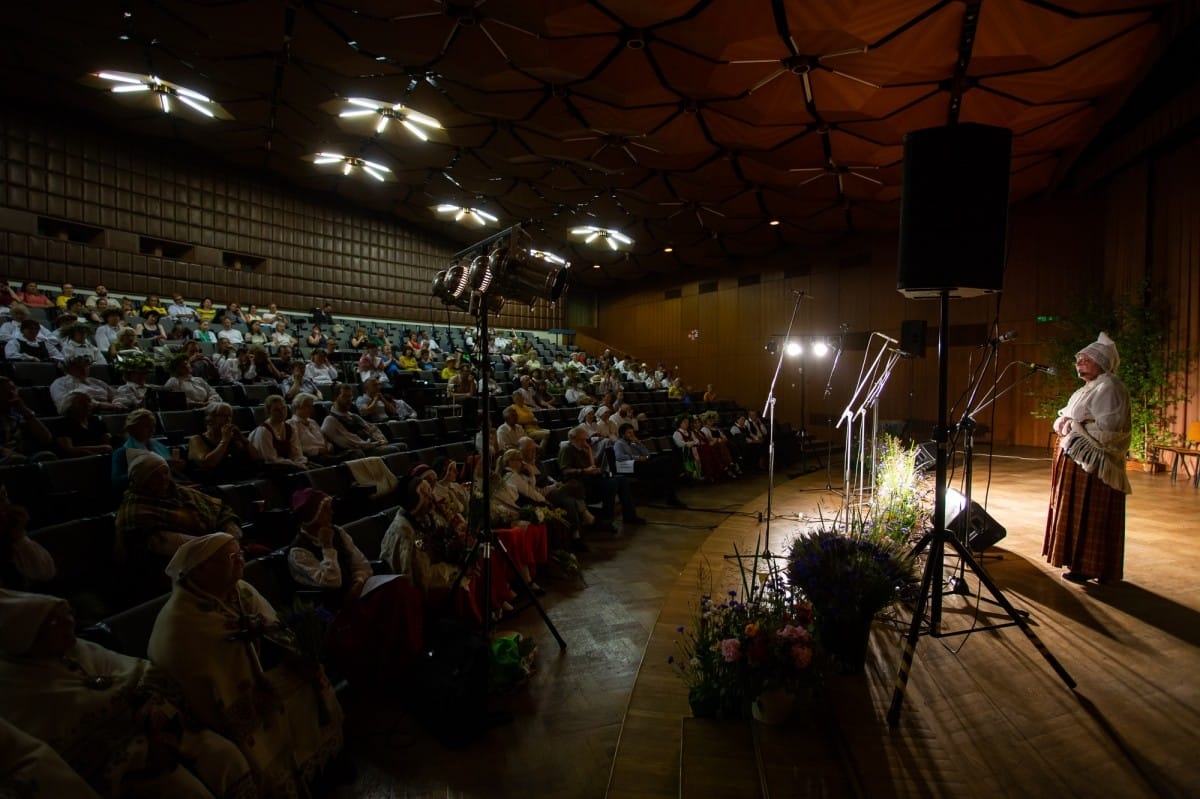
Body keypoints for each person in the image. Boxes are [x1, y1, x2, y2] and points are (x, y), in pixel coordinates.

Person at [0, 589, 256, 799]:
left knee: (225, 755)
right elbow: (69, 755)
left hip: (164, 726)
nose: (70, 623)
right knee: (186, 792)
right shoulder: (20, 688)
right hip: (126, 770)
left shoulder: (79, 649)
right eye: (55, 622)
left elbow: (143, 672)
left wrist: (157, 720)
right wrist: (149, 751)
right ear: (29, 637)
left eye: (67, 613)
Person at [147, 534, 346, 799]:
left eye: (240, 553)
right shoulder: (181, 621)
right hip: (220, 707)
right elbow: (203, 682)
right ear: (201, 568)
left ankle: (322, 767)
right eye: (232, 557)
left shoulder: (240, 589)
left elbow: (275, 627)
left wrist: (293, 653)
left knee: (311, 675)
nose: (241, 560)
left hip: (258, 675)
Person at [286, 488, 423, 691]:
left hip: (358, 591)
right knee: (396, 598)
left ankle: (409, 658)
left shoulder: (339, 532)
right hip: (334, 607)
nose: (332, 515)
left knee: (401, 589)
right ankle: (398, 666)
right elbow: (332, 582)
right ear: (312, 516)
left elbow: (362, 565)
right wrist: (327, 547)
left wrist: (359, 582)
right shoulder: (298, 552)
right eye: (326, 511)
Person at [1044, 332, 1132, 585]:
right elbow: (1075, 418)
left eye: (1085, 359)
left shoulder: (1110, 387)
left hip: (1092, 463)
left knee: (1092, 516)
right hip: (1076, 458)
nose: (1079, 364)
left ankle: (1094, 565)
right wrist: (1069, 422)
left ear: (1102, 362)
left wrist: (1072, 425)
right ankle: (1079, 562)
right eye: (1078, 360)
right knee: (1074, 511)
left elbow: (1109, 431)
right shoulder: (1089, 388)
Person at [560, 424, 644, 528]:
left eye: (586, 440)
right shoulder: (567, 449)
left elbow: (592, 466)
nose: (584, 442)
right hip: (581, 482)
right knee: (612, 483)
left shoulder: (583, 448)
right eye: (581, 440)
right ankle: (607, 520)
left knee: (622, 479)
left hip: (591, 478)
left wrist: (590, 452)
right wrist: (585, 471)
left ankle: (630, 516)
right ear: (573, 439)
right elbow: (565, 471)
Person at [614, 422, 686, 507]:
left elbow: (647, 454)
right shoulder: (619, 443)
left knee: (666, 468)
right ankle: (672, 495)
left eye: (632, 432)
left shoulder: (633, 443)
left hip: (643, 465)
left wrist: (638, 443)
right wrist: (637, 457)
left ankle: (671, 498)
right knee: (665, 460)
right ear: (623, 434)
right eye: (629, 433)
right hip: (632, 467)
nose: (632, 435)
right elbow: (619, 457)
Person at [188, 403, 259, 484]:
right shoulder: (196, 439)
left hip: (240, 480)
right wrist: (225, 441)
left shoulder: (234, 438)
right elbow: (208, 463)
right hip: (215, 483)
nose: (227, 419)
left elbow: (255, 458)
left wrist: (244, 439)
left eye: (230, 416)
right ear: (210, 418)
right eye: (222, 415)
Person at [0, 377, 55, 464]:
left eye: (13, 389)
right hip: (5, 459)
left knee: (46, 456)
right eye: (4, 390)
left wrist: (25, 411)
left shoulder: (18, 413)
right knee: (15, 460)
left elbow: (46, 438)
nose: (11, 393)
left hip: (21, 455)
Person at [248, 394, 308, 471]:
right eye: (276, 410)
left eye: (283, 408)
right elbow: (271, 459)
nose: (281, 412)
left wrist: (300, 463)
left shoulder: (290, 428)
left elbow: (296, 452)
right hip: (269, 468)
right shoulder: (264, 431)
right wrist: (294, 464)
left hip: (287, 465)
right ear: (268, 412)